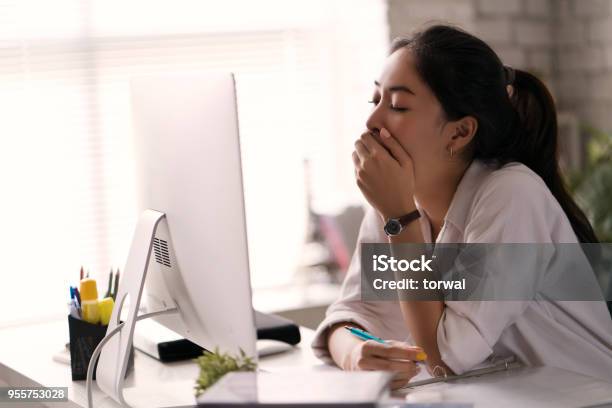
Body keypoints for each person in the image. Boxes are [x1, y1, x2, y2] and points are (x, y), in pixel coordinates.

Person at [311, 24, 612, 390]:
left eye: (397, 106)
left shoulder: (512, 196)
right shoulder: (394, 203)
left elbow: (442, 358)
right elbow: (350, 316)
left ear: (459, 132)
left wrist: (399, 221)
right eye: (375, 100)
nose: (372, 122)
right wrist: (354, 354)